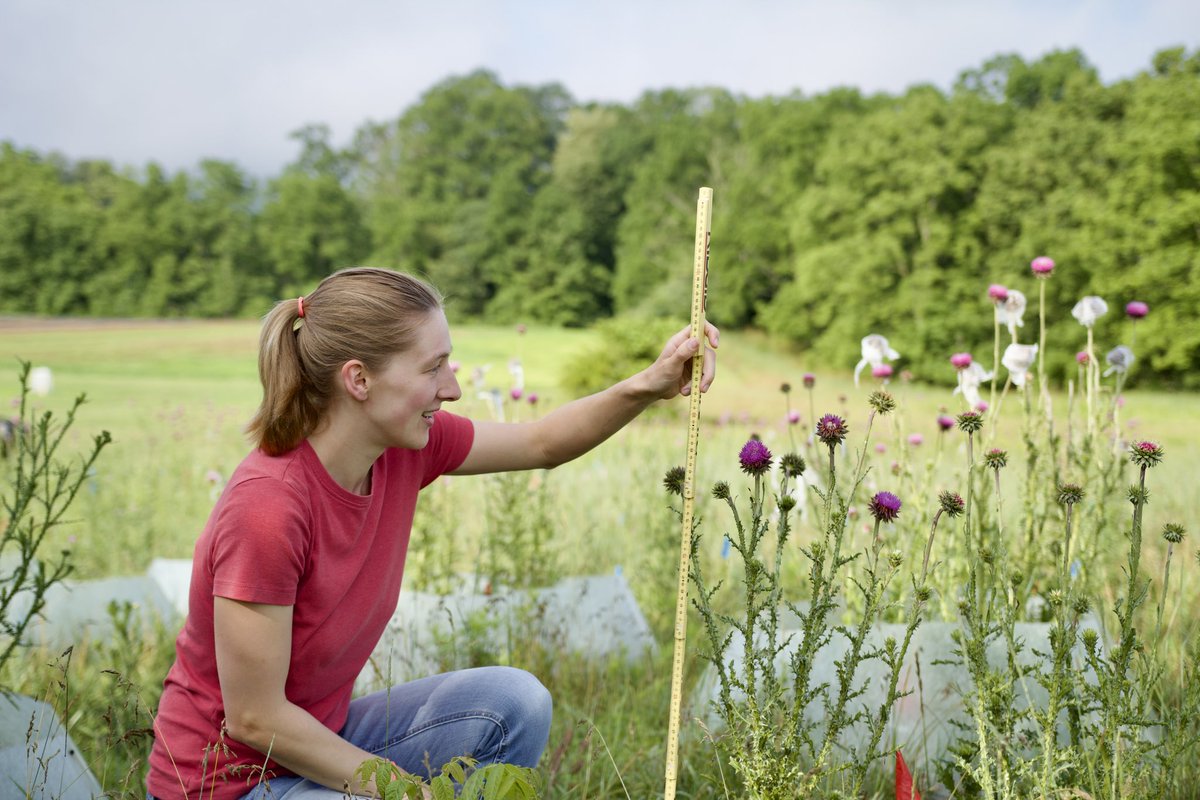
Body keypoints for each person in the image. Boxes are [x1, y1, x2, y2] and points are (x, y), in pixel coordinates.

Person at [146, 267, 718, 800]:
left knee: (515, 703)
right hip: (229, 787)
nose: (452, 388)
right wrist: (398, 789)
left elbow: (541, 443)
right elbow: (255, 718)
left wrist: (649, 385)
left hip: (315, 744)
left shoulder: (401, 450)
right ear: (359, 379)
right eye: (432, 367)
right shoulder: (268, 509)